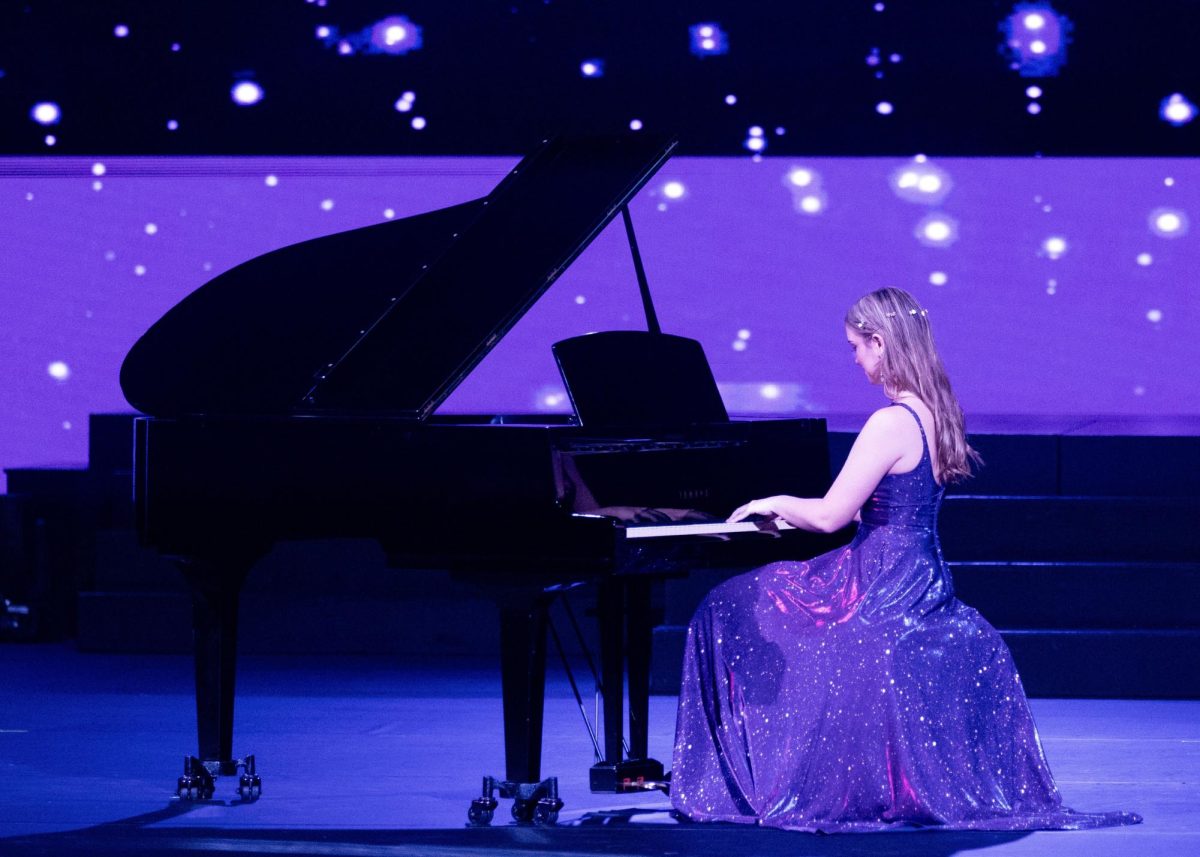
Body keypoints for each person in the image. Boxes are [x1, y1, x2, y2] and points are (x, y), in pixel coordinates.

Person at [670, 287, 1141, 832]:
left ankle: (748, 776)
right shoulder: (939, 412)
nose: (854, 360)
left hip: (878, 582)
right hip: (921, 576)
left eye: (855, 347)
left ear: (879, 342)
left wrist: (770, 503)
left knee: (723, 607)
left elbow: (831, 516)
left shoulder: (889, 422)